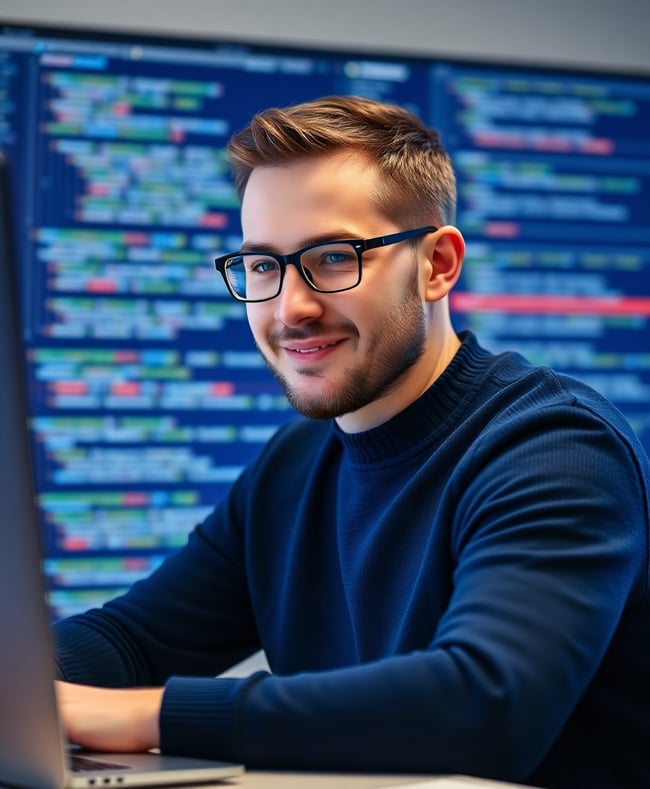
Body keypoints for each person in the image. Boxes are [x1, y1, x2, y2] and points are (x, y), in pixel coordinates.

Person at [53, 95, 650, 788]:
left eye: (333, 257)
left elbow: (484, 706)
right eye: (262, 266)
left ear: (438, 264)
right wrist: (31, 687)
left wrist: (138, 716)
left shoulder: (557, 448)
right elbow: (128, 639)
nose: (290, 308)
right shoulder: (295, 463)